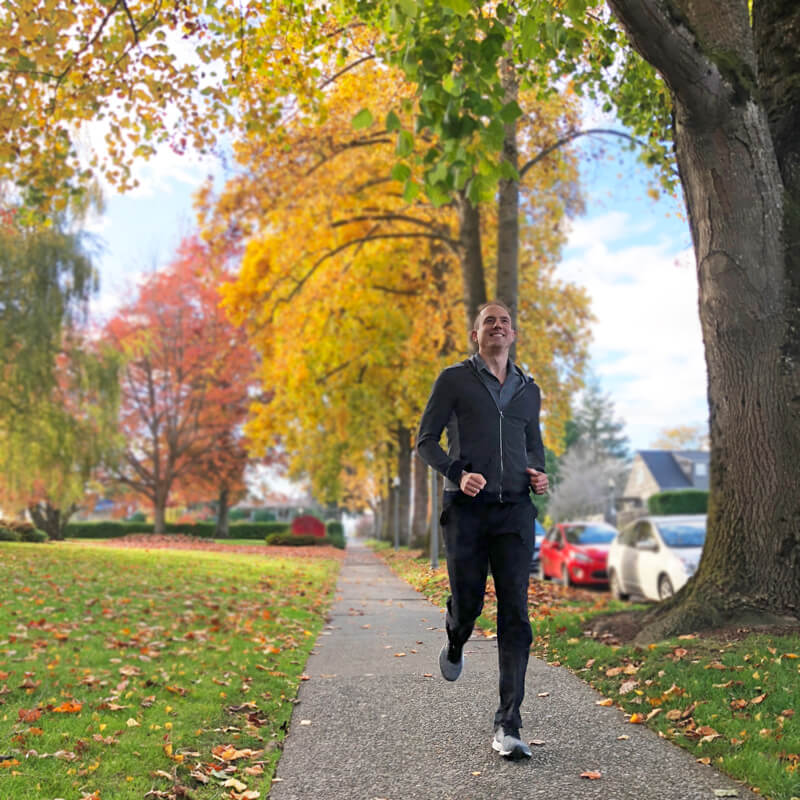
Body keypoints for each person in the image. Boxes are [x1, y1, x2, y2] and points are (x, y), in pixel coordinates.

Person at [416, 301, 549, 761]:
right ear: (477, 335)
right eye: (489, 321)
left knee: (516, 614)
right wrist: (456, 471)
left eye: (505, 321)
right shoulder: (454, 380)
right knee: (469, 603)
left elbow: (534, 443)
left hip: (515, 512)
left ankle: (508, 724)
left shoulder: (529, 390)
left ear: (513, 335)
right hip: (467, 511)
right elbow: (425, 440)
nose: (498, 326)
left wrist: (539, 472)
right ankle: (456, 636)